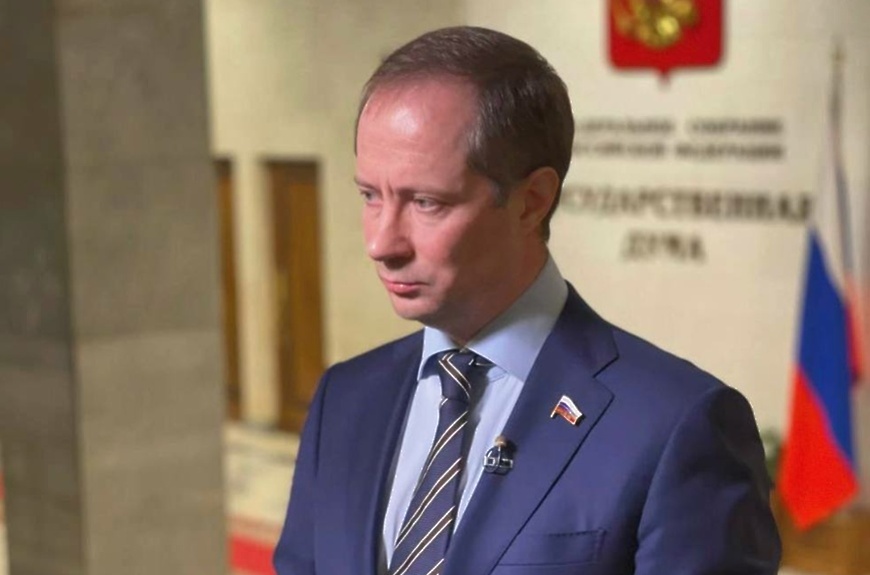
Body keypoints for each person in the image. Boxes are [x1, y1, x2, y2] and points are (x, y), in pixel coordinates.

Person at [274, 26, 781, 575]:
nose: (381, 244)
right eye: (370, 196)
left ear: (531, 201)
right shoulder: (344, 398)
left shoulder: (677, 425)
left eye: (426, 202)